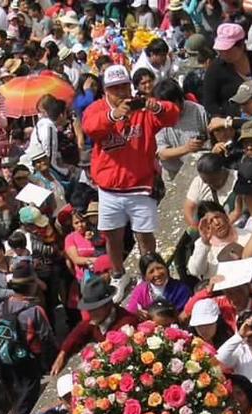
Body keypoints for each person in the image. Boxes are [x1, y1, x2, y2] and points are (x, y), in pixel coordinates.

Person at [81, 64, 180, 292]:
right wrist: (114, 115)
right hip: (109, 189)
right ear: (106, 90)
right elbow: (90, 127)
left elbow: (172, 115)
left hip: (140, 185)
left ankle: (152, 277)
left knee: (145, 237)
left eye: (124, 87)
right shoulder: (97, 109)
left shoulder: (142, 109)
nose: (121, 93)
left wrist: (156, 107)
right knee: (112, 237)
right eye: (115, 89)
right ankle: (118, 275)